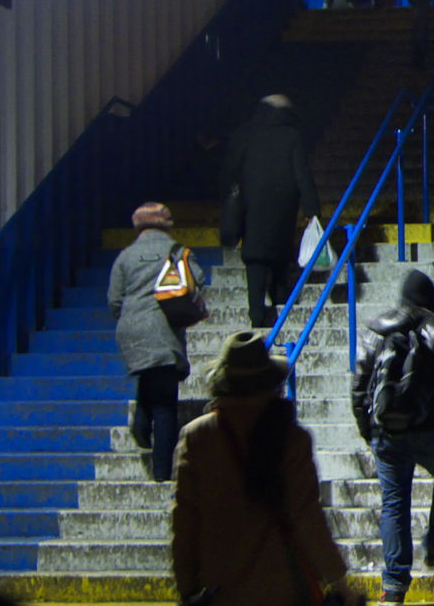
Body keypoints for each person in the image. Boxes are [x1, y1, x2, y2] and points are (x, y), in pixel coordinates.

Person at [172, 331, 359, 606]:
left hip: (219, 590)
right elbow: (306, 515)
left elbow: (184, 522)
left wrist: (187, 590)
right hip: (282, 587)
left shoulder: (197, 437)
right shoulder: (291, 438)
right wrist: (339, 582)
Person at [352, 270, 434, 604]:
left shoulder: (373, 329)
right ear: (431, 299)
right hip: (430, 429)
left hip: (386, 431)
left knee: (394, 502)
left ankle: (394, 587)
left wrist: (369, 430)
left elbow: (359, 385)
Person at [108, 202, 201, 483]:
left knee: (150, 376)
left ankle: (139, 424)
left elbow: (114, 299)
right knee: (164, 405)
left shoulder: (125, 256)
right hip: (162, 328)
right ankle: (162, 472)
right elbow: (197, 281)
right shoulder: (176, 253)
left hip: (131, 328)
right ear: (166, 225)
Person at [222, 95, 321, 329]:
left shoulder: (245, 135)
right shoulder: (291, 137)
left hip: (252, 209)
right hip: (283, 208)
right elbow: (302, 174)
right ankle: (281, 303)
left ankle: (256, 311)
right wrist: (311, 208)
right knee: (280, 256)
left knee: (255, 259)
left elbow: (229, 173)